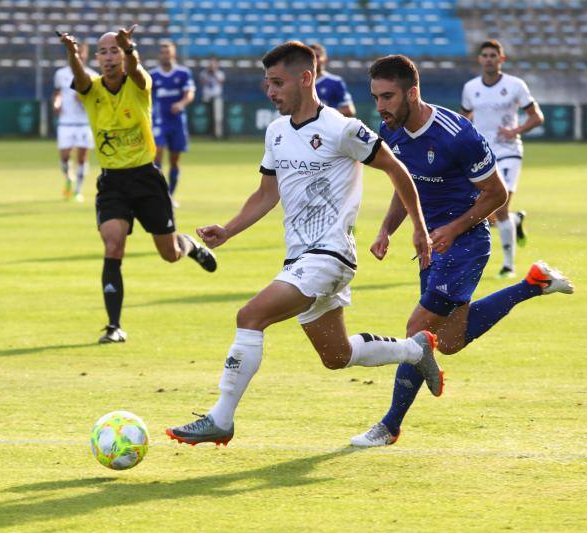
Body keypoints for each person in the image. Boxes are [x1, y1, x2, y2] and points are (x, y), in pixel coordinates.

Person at [166, 42, 439, 447]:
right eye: (267, 83)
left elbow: (397, 169)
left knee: (250, 316)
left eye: (277, 83)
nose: (270, 91)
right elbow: (265, 195)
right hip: (300, 256)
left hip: (330, 254)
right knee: (337, 356)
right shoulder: (276, 132)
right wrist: (228, 230)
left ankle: (220, 418)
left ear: (306, 78)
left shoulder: (341, 127)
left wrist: (417, 228)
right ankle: (415, 351)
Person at [349, 55, 573, 448]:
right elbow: (407, 189)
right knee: (449, 341)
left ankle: (389, 426)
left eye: (388, 96)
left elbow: (497, 195)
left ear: (412, 93)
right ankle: (532, 284)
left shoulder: (457, 134)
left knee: (417, 330)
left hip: (466, 242)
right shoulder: (395, 133)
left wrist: (452, 229)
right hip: (432, 245)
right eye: (376, 97)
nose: (380, 106)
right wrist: (386, 229)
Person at [57, 26, 217, 344]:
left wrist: (130, 49)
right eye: (103, 51)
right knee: (113, 245)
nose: (108, 56)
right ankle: (114, 326)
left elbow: (138, 72)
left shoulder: (137, 85)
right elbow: (80, 78)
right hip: (113, 182)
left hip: (146, 178)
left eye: (114, 50)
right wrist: (72, 54)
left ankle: (187, 244)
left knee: (169, 254)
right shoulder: (92, 89)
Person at [461, 39, 544, 278]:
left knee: (500, 206)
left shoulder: (515, 85)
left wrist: (515, 131)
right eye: (485, 55)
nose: (489, 59)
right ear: (480, 59)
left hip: (509, 151)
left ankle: (508, 265)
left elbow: (536, 116)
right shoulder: (470, 88)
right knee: (486, 212)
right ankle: (515, 221)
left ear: (501, 59)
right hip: (482, 154)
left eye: (493, 55)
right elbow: (463, 119)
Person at [148, 40, 195, 204]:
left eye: (168, 52)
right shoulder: (152, 75)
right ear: (159, 55)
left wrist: (181, 104)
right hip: (159, 122)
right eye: (162, 52)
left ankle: (170, 195)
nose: (165, 55)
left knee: (175, 160)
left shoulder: (183, 73)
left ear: (173, 53)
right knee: (157, 157)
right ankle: (159, 195)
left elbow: (189, 93)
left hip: (177, 122)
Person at [52, 42, 96, 202]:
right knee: (64, 157)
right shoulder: (61, 74)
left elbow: (96, 101)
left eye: (82, 53)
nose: (79, 56)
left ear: (86, 55)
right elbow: (57, 93)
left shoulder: (92, 75)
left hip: (84, 123)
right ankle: (69, 178)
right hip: (66, 122)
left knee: (82, 157)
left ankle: (78, 190)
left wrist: (84, 99)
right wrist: (56, 104)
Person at [310, 43, 355, 117]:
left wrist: (320, 114)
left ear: (325, 59)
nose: (313, 60)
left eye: (317, 56)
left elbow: (349, 110)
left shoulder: (335, 82)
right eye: (310, 57)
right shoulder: (300, 83)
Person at [199, 57, 226, 139]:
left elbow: (221, 82)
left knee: (217, 117)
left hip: (216, 97)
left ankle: (218, 134)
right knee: (208, 118)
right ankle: (208, 134)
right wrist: (208, 73)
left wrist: (213, 73)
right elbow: (202, 82)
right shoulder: (204, 73)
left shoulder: (219, 73)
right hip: (207, 98)